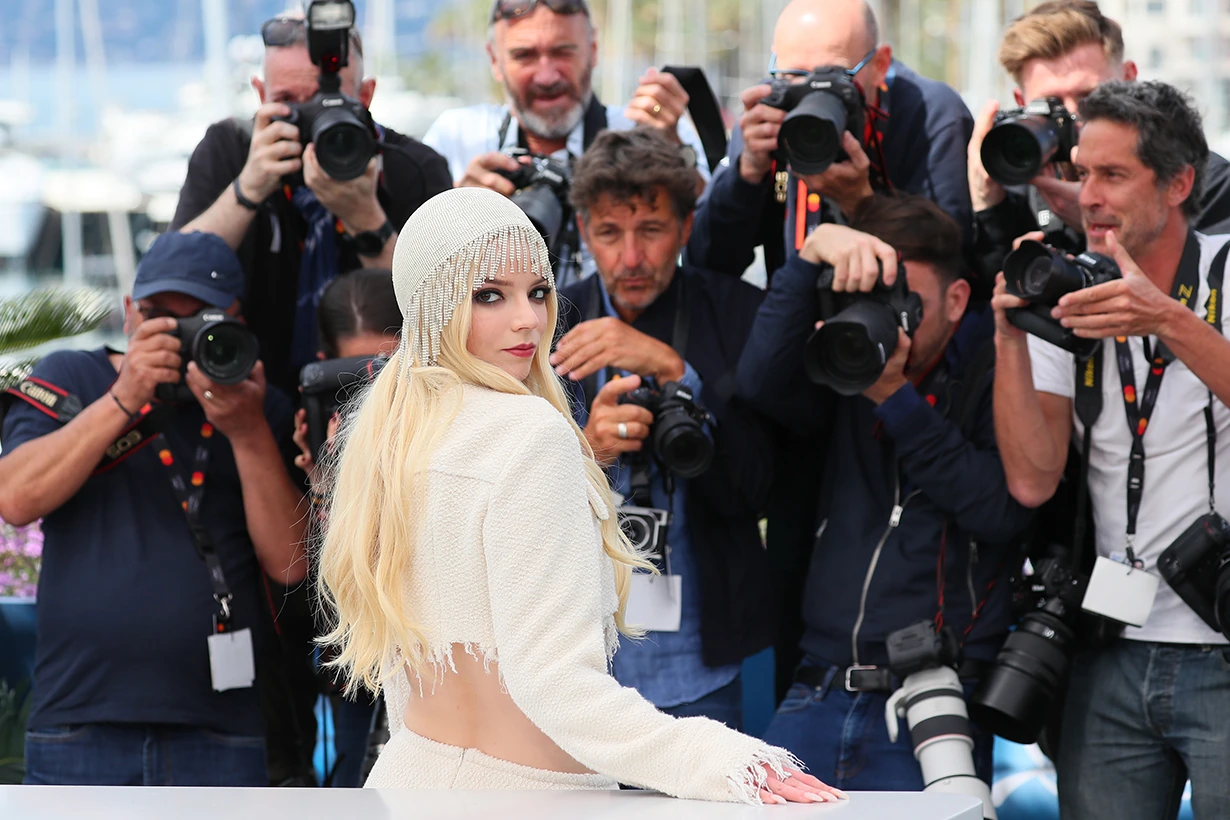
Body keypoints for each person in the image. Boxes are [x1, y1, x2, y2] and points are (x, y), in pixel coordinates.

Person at [314, 187, 845, 804]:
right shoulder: (531, 434)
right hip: (527, 800)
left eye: (538, 291)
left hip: (409, 783)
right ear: (433, 304)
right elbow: (558, 686)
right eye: (490, 295)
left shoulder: (395, 433)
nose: (529, 319)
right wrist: (725, 758)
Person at [736, 194, 1033, 790]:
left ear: (956, 300)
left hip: (932, 702)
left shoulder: (996, 376)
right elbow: (757, 383)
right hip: (817, 684)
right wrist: (809, 255)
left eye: (906, 303)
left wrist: (896, 400)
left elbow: (1001, 508)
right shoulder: (838, 369)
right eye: (875, 300)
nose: (887, 321)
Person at [992, 80, 1230, 820]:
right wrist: (1010, 336)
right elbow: (1033, 479)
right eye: (1081, 172)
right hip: (1107, 645)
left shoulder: (1225, 271)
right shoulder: (1074, 292)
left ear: (1179, 182)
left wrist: (1168, 320)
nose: (1086, 196)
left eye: (1113, 175)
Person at [0, 231, 307, 786]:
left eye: (202, 318)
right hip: (79, 715)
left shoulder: (258, 402)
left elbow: (289, 562)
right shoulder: (70, 378)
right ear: (128, 314)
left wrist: (248, 431)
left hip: (222, 722)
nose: (182, 336)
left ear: (238, 320)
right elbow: (16, 499)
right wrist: (124, 397)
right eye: (162, 318)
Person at [546, 128, 776, 729]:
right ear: (582, 232)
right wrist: (587, 453)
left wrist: (676, 372)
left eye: (650, 231)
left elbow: (757, 489)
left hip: (704, 660)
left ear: (685, 226)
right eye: (609, 233)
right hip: (570, 662)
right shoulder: (544, 325)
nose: (631, 259)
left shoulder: (739, 314)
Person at [172, 12, 451, 395]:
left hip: (384, 395)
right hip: (245, 389)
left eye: (328, 104)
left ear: (365, 97)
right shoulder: (229, 150)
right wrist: (248, 189)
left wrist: (366, 221)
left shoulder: (412, 167)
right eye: (289, 103)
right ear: (260, 95)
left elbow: (446, 318)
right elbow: (172, 280)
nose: (311, 123)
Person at [422, 0, 711, 285]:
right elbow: (413, 278)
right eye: (524, 55)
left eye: (563, 52)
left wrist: (673, 154)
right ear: (495, 61)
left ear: (593, 50)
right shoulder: (457, 137)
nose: (547, 76)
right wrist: (455, 218)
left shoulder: (644, 130)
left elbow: (712, 243)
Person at [686, 0, 974, 284]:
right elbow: (706, 266)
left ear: (880, 65)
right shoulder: (768, 114)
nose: (812, 93)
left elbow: (947, 273)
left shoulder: (930, 115)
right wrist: (746, 173)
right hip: (794, 312)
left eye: (834, 76)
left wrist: (862, 204)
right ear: (776, 63)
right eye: (795, 75)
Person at [968, 0, 1230, 285]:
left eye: (1090, 97)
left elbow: (1204, 303)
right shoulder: (1017, 177)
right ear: (1022, 103)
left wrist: (1099, 221)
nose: (1073, 118)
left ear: (1129, 79)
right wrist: (989, 205)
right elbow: (996, 298)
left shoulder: (1202, 180)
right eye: (1050, 104)